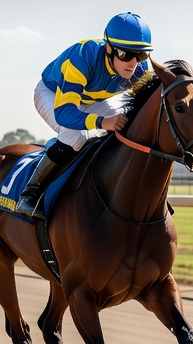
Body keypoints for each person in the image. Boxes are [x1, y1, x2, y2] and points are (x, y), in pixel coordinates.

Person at [14, 12, 153, 217]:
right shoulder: (82, 57)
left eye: (141, 55)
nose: (133, 63)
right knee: (76, 135)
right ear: (109, 48)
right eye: (125, 54)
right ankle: (30, 193)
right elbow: (64, 114)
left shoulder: (141, 70)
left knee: (127, 127)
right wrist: (102, 122)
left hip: (93, 100)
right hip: (54, 94)